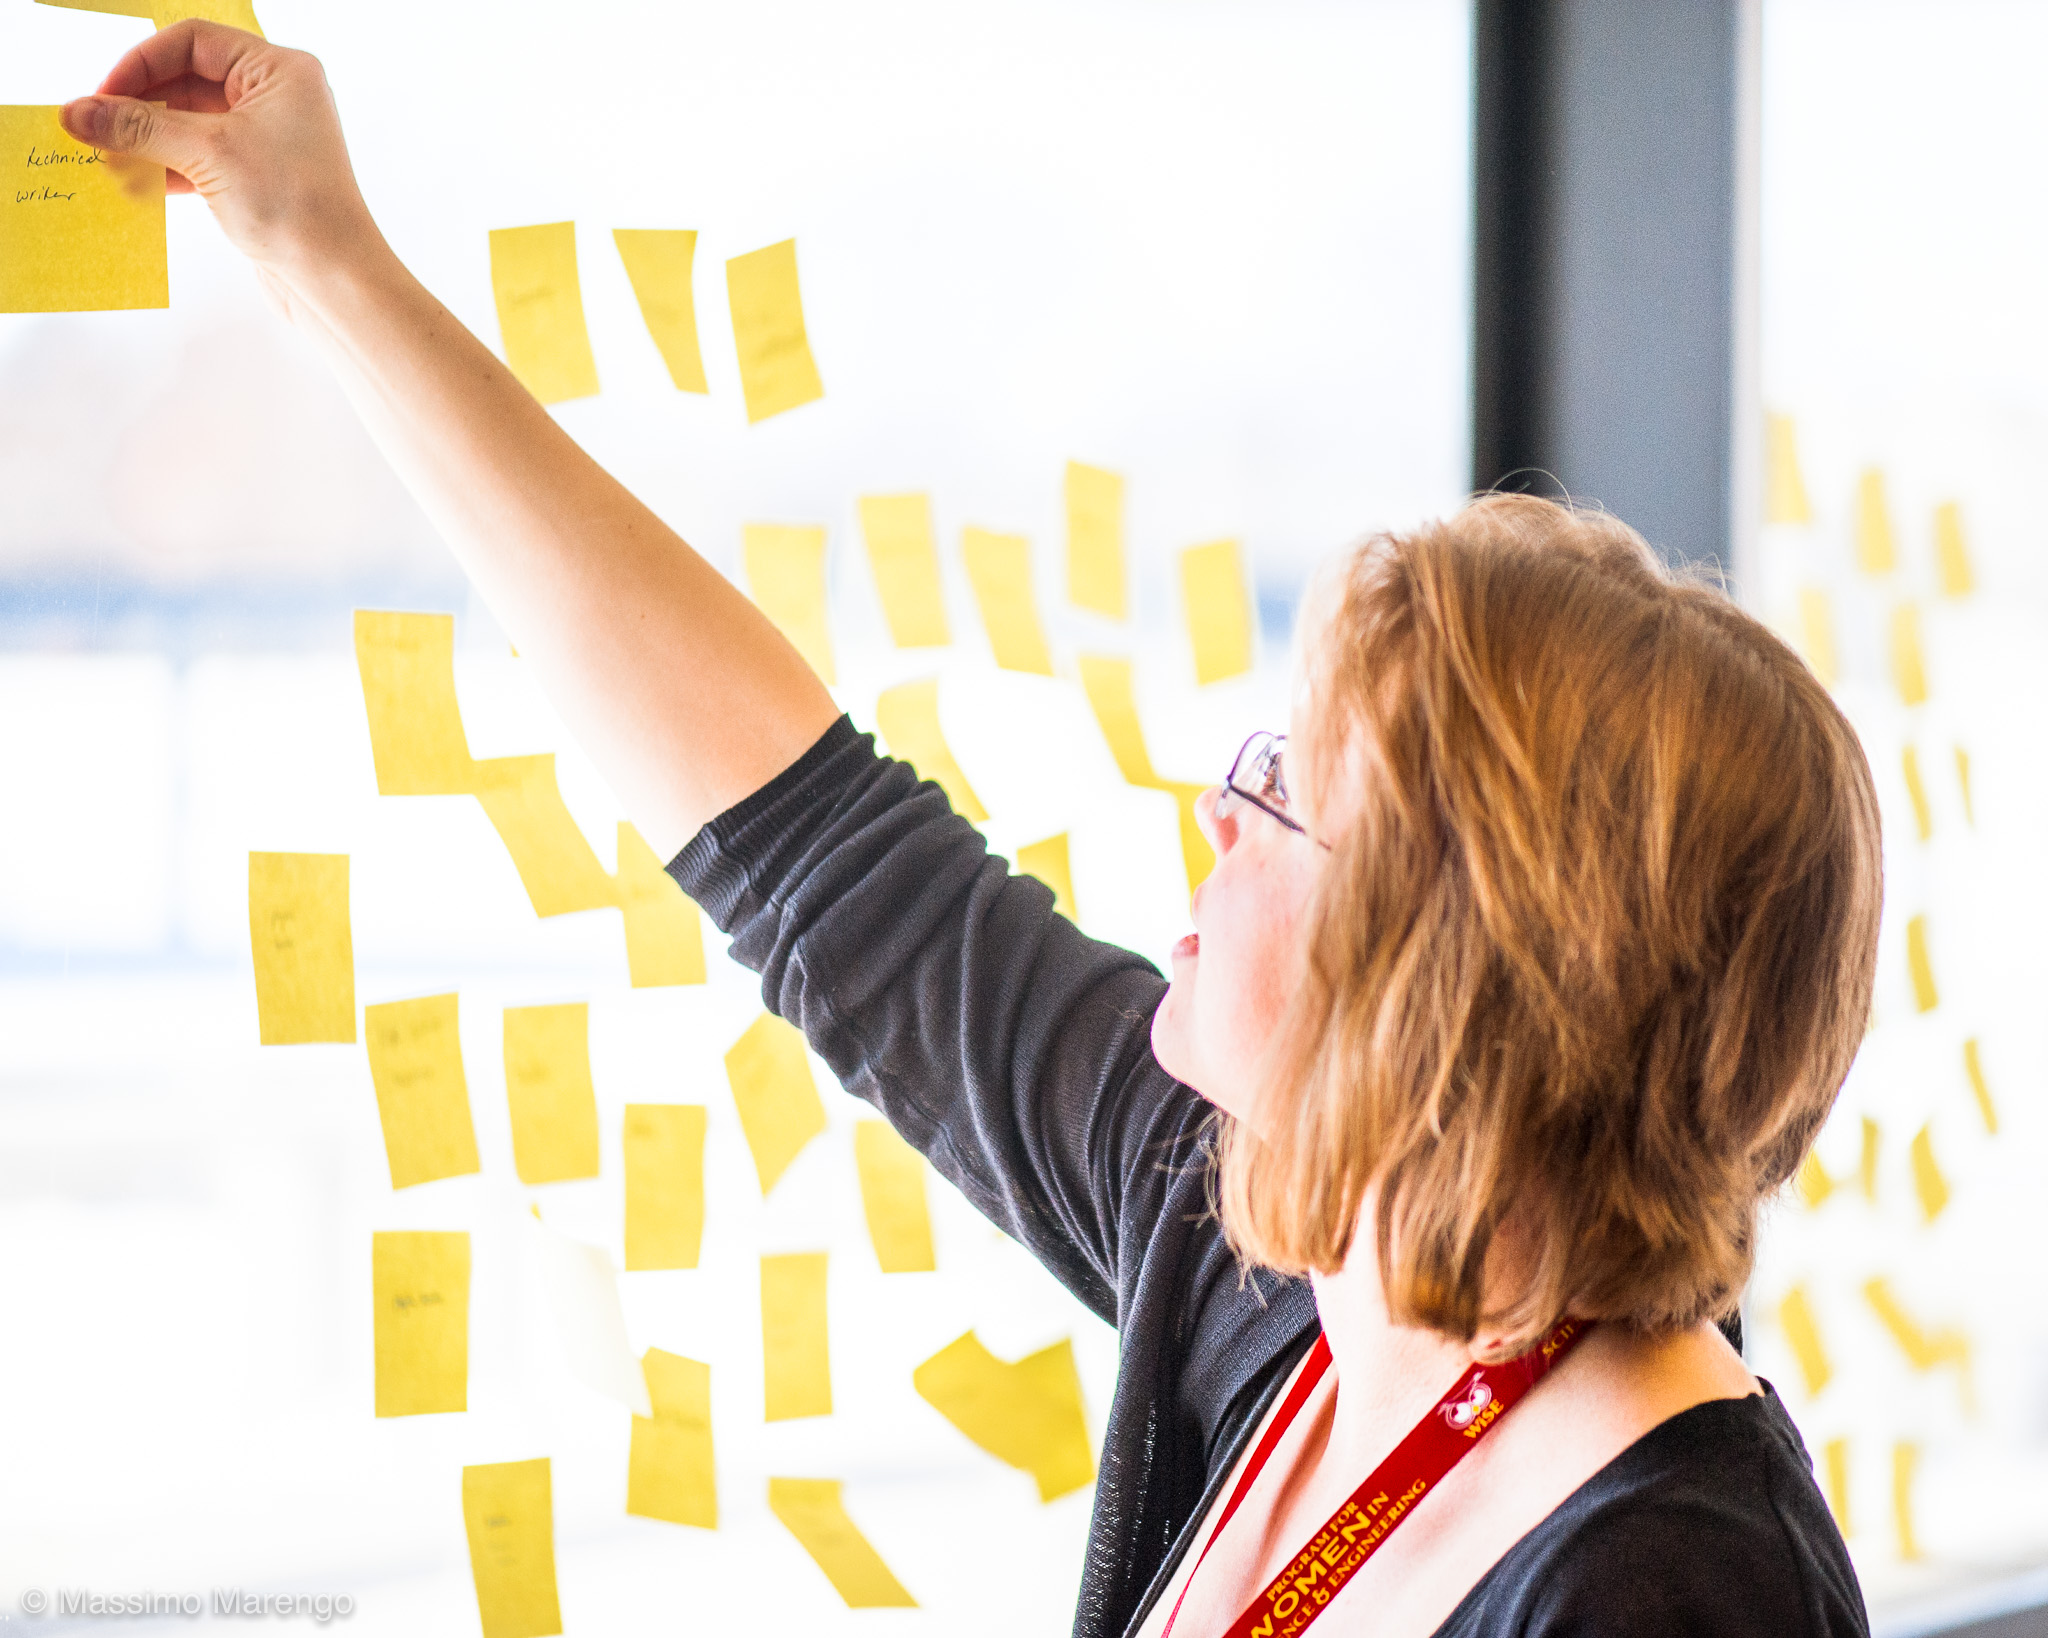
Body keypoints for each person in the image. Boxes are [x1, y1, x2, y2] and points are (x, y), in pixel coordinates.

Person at [63, 23, 1882, 1637]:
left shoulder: (1672, 1585)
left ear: (1445, 976)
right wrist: (323, 256)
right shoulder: (1293, 1279)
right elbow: (818, 849)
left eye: (1284, 793)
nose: (1215, 815)